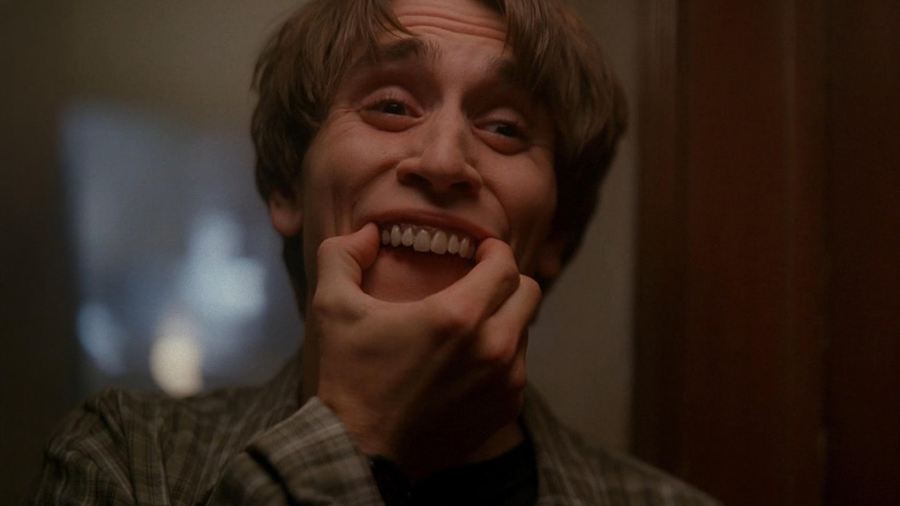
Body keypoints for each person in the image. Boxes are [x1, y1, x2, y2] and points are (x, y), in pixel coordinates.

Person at [32, 0, 717, 504]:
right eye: (391, 107)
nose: (443, 161)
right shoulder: (125, 460)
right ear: (287, 186)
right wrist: (358, 433)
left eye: (505, 127)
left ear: (557, 234)